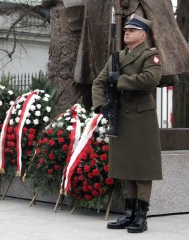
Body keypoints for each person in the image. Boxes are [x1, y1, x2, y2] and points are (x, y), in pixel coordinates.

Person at [92, 14, 163, 233]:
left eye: (132, 30)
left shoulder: (151, 55)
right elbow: (99, 82)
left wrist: (120, 80)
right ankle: (129, 213)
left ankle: (141, 216)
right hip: (120, 117)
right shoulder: (117, 57)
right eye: (125, 30)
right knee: (125, 166)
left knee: (141, 167)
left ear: (143, 35)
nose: (126, 33)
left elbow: (150, 79)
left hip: (141, 117)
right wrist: (101, 105)